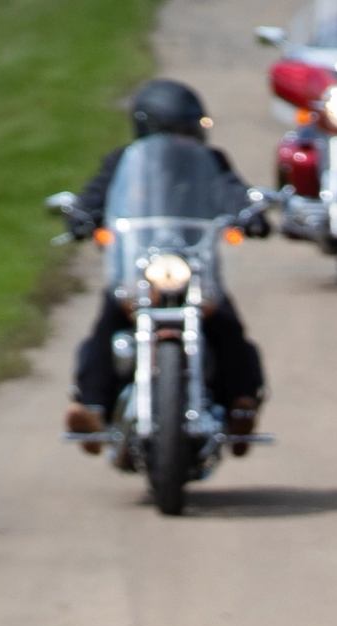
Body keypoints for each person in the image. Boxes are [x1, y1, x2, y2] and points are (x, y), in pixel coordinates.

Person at [62, 80, 268, 451]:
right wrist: (81, 214)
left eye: (191, 129)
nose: (185, 139)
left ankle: (242, 404)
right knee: (105, 327)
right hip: (140, 268)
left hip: (193, 267)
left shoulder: (212, 162)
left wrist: (248, 212)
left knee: (227, 327)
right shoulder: (123, 161)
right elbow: (97, 192)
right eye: (180, 129)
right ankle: (91, 406)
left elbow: (230, 189)